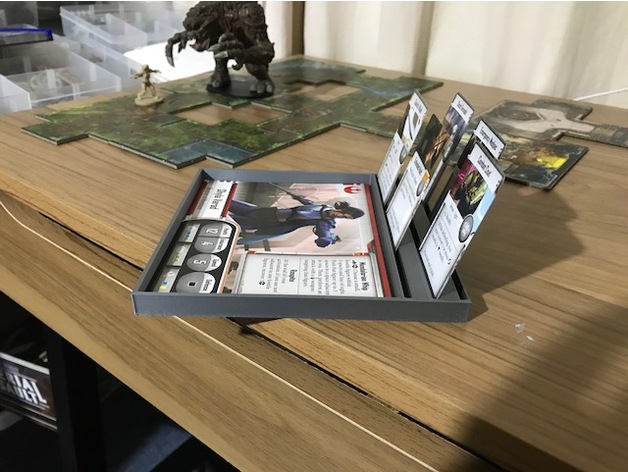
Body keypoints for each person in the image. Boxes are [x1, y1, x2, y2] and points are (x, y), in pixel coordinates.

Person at [228, 191, 365, 247]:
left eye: (345, 218)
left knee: (232, 220)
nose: (340, 216)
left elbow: (324, 231)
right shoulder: (326, 207)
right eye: (343, 214)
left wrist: (326, 238)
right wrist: (300, 198)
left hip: (273, 222)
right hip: (270, 212)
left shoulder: (326, 222)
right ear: (343, 210)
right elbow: (310, 204)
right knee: (231, 203)